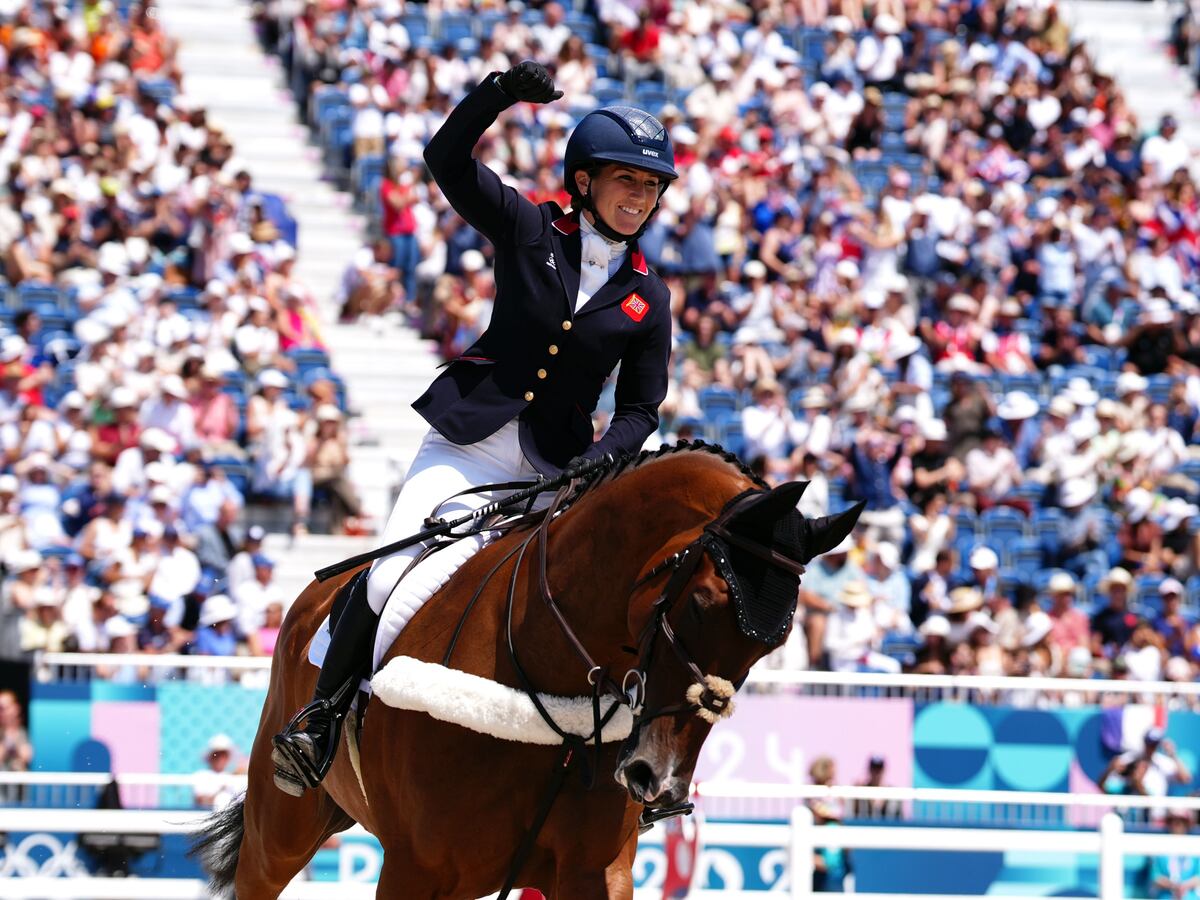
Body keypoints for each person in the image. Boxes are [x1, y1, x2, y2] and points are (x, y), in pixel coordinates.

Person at [272, 60, 679, 796]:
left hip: (555, 468)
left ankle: (624, 767)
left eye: (651, 186)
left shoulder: (649, 294)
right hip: (467, 445)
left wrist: (599, 461)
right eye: (628, 180)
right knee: (392, 572)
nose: (640, 196)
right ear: (584, 181)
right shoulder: (529, 227)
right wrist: (497, 94)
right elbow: (445, 160)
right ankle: (321, 721)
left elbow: (642, 410)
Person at [1150, 810, 1200, 900]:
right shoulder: (1160, 847)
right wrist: (1174, 886)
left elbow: (1198, 876)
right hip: (1166, 896)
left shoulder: (1194, 846)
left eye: (1182, 821)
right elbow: (1155, 877)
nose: (1178, 824)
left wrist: (1184, 886)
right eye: (1174, 820)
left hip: (1190, 896)